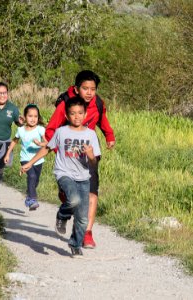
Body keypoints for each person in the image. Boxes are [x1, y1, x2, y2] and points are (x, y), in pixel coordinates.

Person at [21, 96, 101, 257]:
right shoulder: (61, 132)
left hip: (84, 177)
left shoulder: (91, 135)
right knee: (73, 200)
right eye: (72, 113)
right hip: (64, 173)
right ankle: (62, 215)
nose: (76, 116)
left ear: (85, 115)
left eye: (80, 113)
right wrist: (30, 162)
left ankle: (75, 244)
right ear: (66, 115)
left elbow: (94, 164)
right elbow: (47, 149)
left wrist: (91, 156)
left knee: (82, 218)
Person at [45, 70, 115, 248]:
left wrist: (109, 135)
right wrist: (58, 151)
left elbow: (103, 121)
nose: (89, 92)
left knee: (92, 194)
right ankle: (65, 208)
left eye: (93, 89)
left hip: (88, 156)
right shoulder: (66, 105)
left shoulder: (98, 103)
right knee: (72, 198)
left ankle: (87, 234)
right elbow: (51, 130)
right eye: (85, 88)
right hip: (68, 158)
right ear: (77, 89)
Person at [4, 103, 46, 210]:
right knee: (31, 177)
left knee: (35, 181)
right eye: (30, 116)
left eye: (35, 116)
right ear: (25, 117)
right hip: (25, 159)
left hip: (38, 160)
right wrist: (8, 154)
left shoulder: (40, 129)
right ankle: (32, 200)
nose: (33, 119)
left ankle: (28, 196)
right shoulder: (21, 130)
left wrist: (40, 144)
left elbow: (47, 143)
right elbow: (14, 141)